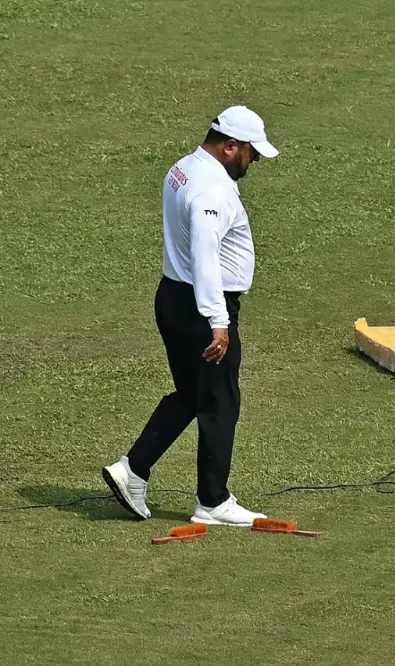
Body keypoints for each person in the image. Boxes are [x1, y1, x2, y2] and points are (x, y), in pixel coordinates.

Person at [101, 106, 279, 525]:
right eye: (251, 154)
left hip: (174, 298)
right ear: (230, 145)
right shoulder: (212, 190)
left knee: (191, 394)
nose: (252, 163)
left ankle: (132, 469)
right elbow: (204, 256)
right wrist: (219, 321)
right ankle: (213, 502)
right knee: (220, 403)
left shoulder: (184, 167)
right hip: (203, 307)